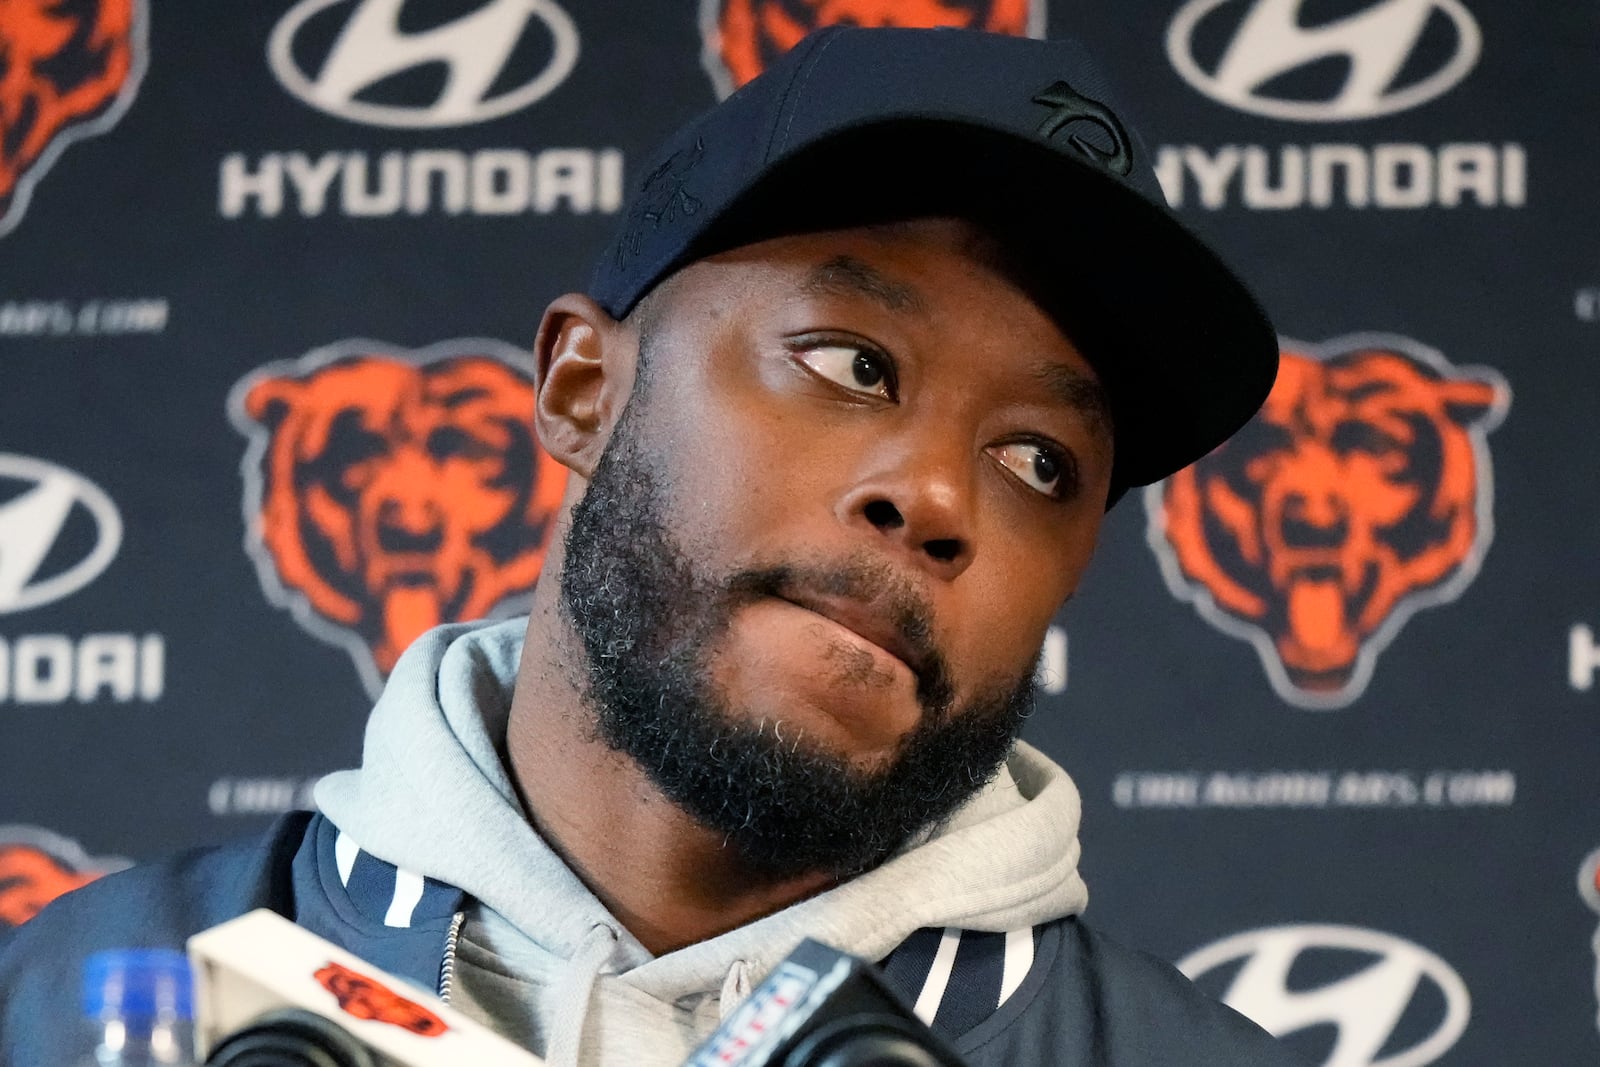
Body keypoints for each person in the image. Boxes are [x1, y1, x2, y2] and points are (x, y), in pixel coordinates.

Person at [0, 26, 1302, 1067]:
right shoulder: (59, 1009)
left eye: (1041, 462)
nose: (939, 500)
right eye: (850, 362)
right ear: (582, 389)